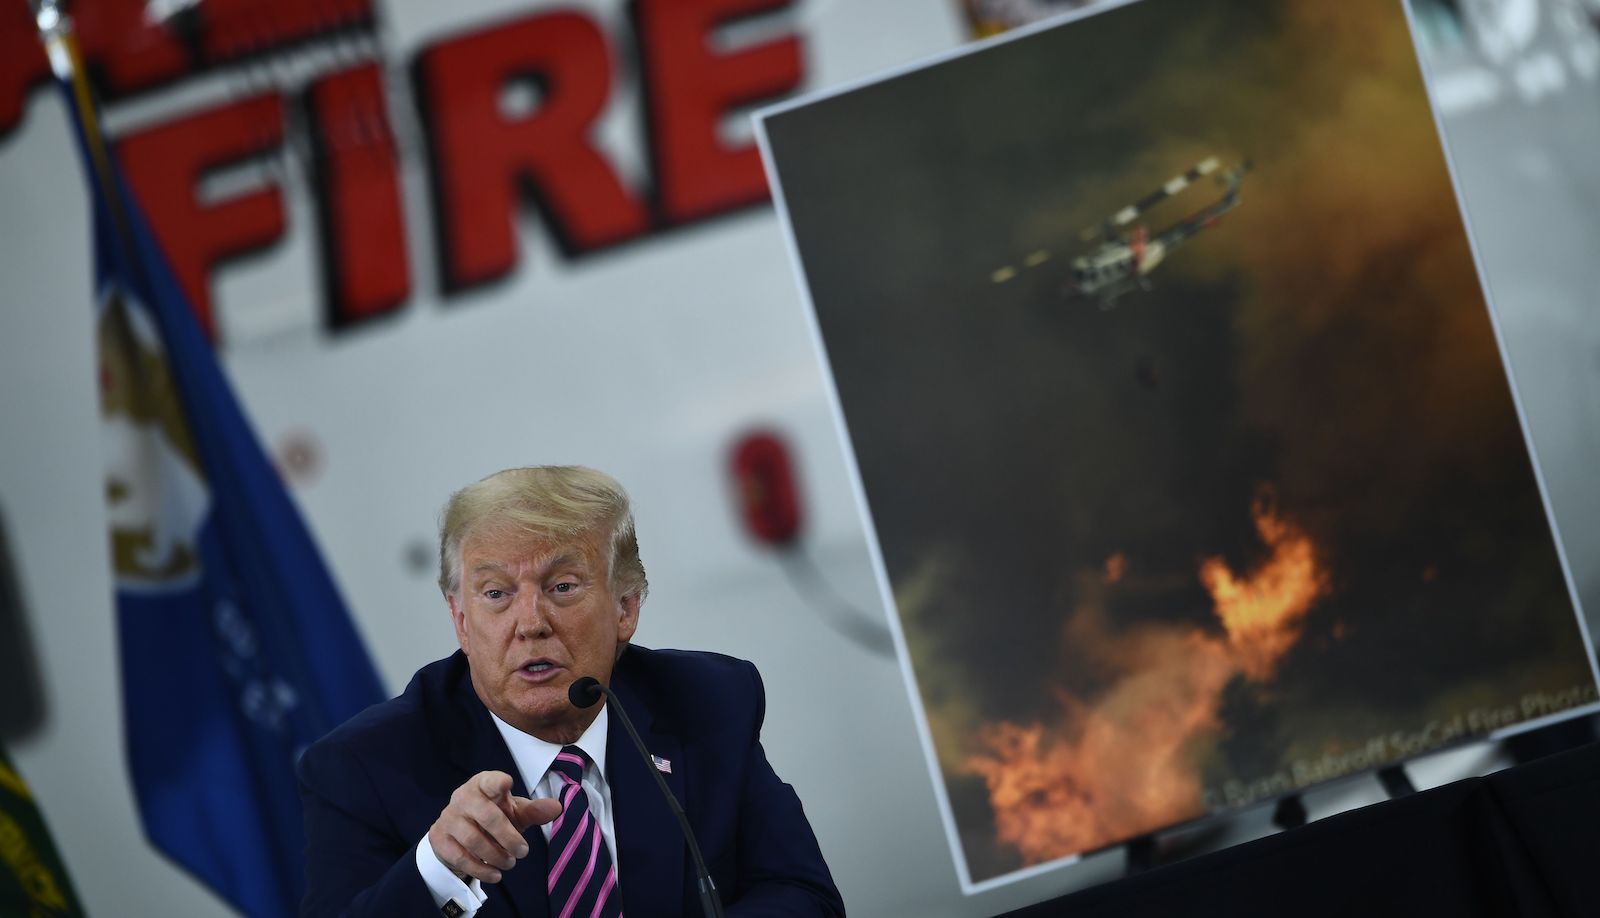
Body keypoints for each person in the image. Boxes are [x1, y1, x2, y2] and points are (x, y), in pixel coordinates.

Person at [297, 466, 845, 917]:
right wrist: (439, 868)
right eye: (496, 593)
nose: (530, 622)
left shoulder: (709, 701)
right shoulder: (363, 766)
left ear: (626, 607)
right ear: (460, 619)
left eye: (561, 586)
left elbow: (804, 897)